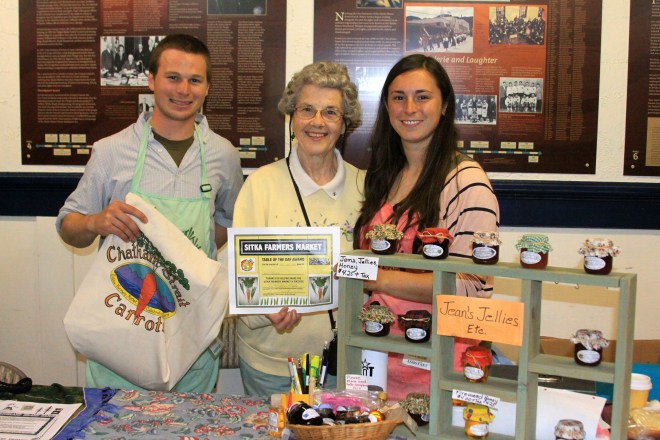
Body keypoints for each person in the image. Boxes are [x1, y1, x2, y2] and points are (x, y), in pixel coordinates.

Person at [56, 34, 243, 393]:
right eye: (173, 77)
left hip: (189, 332)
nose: (183, 90)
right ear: (151, 80)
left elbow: (226, 221)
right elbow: (68, 225)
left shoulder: (223, 155)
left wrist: (183, 255)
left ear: (207, 88)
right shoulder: (111, 151)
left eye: (195, 80)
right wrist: (96, 222)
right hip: (123, 326)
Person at [352, 54, 500, 401]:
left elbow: (471, 289)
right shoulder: (384, 176)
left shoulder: (467, 182)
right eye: (398, 97)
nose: (409, 108)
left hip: (435, 366)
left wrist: (373, 277)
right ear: (386, 106)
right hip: (379, 357)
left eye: (423, 96)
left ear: (445, 105)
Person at [233, 61, 363, 397]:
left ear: (344, 123)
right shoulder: (260, 185)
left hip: (345, 362)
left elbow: (378, 271)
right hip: (273, 364)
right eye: (307, 109)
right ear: (292, 117)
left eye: (330, 112)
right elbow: (239, 272)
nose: (317, 121)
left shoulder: (367, 187)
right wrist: (266, 312)